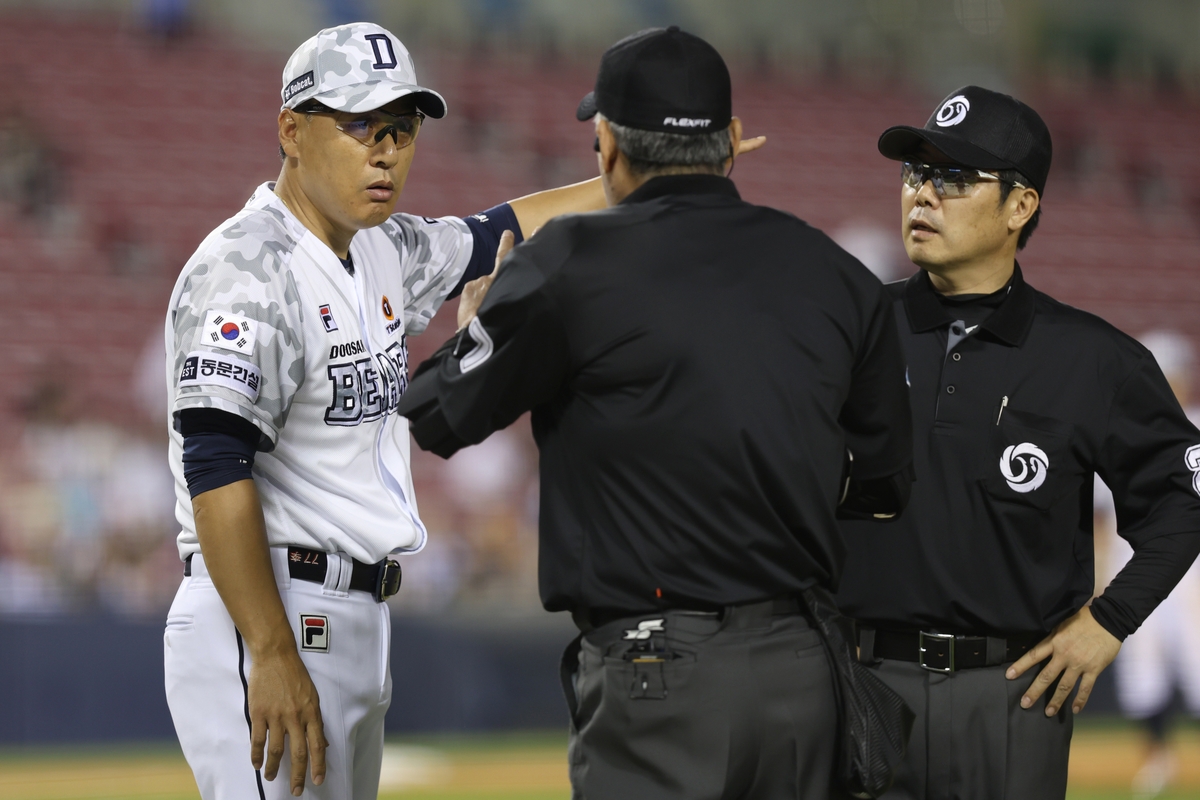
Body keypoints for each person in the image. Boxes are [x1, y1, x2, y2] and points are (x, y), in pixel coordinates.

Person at [160, 21, 728, 799]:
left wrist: (670, 174)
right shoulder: (246, 269)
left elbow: (508, 228)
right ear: (291, 130)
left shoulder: (383, 248)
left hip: (349, 613)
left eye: (402, 127)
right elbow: (214, 466)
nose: (386, 149)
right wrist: (270, 650)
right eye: (360, 124)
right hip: (269, 610)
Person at [396, 26, 914, 799]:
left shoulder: (569, 263)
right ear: (733, 141)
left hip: (656, 669)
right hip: (806, 668)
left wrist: (476, 326)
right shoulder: (838, 274)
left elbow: (436, 415)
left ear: (604, 146)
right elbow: (884, 482)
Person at [835, 86, 1200, 800]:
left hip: (1013, 697)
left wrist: (1110, 620)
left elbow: (1184, 497)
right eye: (916, 174)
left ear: (1020, 206)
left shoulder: (1093, 358)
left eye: (952, 178)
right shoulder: (849, 329)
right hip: (860, 683)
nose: (923, 194)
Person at [1095, 330, 1200, 799]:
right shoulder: (1121, 425)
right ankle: (1156, 758)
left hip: (1194, 569)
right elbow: (1099, 516)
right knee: (1143, 667)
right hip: (1135, 566)